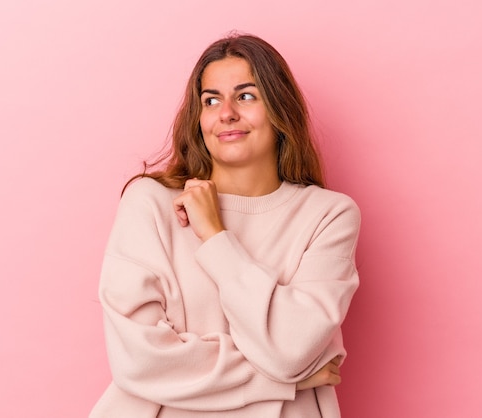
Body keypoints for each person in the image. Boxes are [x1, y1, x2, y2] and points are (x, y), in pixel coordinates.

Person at [90, 33, 361, 418]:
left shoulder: (328, 215)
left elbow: (291, 348)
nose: (227, 113)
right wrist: (286, 381)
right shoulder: (151, 202)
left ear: (279, 109)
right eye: (211, 100)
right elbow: (140, 361)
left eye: (246, 96)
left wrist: (215, 237)